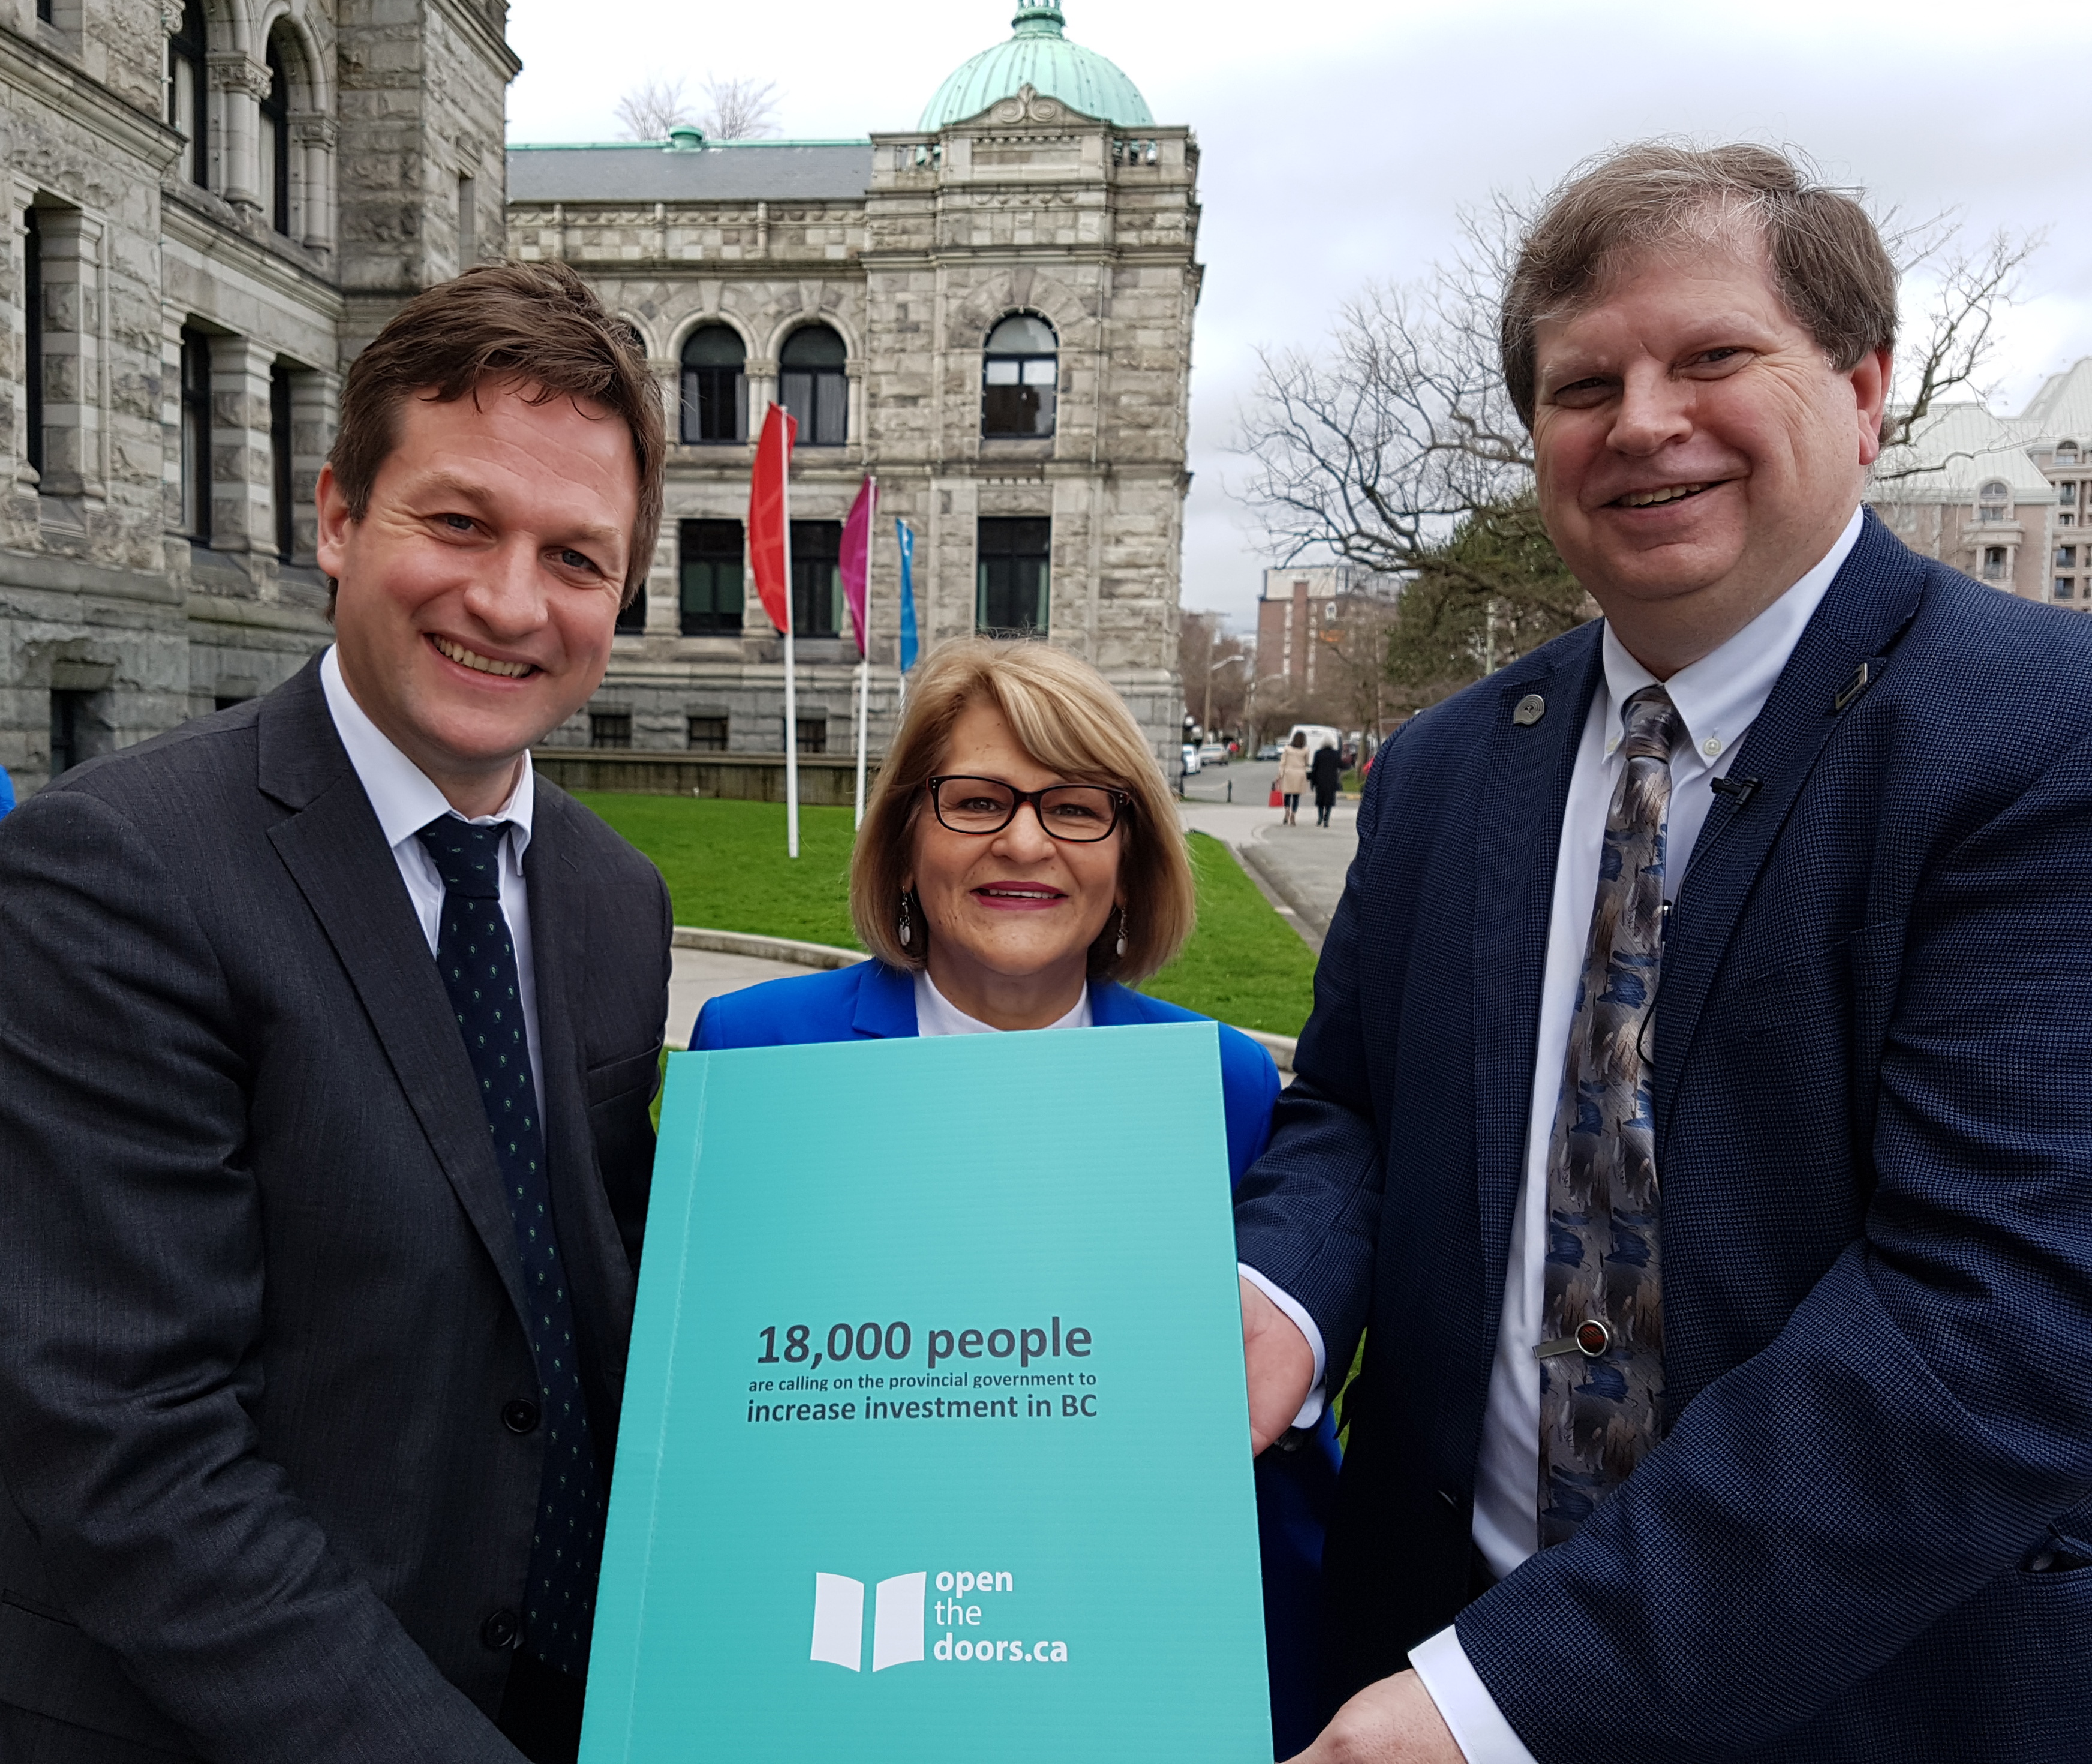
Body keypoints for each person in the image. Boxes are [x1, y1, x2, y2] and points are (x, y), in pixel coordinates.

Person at [1234, 142, 2092, 1764]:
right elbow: (1351, 1106)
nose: (1642, 420)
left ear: (1864, 389)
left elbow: (1984, 1319)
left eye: (1711, 357)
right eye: (1584, 384)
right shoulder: (1447, 766)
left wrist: (1505, 1700)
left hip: (1858, 1698)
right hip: (1428, 1629)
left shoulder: (2043, 739)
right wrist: (1274, 1288)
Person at [0, 262, 672, 1763]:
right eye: (458, 521)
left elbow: (569, 1317)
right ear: (337, 519)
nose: (510, 600)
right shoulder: (118, 871)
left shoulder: (617, 901)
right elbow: (135, 1446)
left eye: (575, 555)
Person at [693, 638, 1337, 1758]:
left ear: (1127, 859)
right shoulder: (759, 1055)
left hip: (1122, 1664)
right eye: (977, 799)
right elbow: (709, 1415)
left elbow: (1264, 1454)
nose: (1025, 840)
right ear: (904, 841)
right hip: (848, 1653)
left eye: (1075, 806)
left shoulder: (1221, 1087)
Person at [1276, 729, 1309, 825]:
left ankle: (1287, 811)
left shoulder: (1287, 749)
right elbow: (1306, 762)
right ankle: (1293, 814)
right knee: (1296, 796)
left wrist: (1280, 774)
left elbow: (1283, 762)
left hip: (1289, 772)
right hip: (1300, 772)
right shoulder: (1305, 750)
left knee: (1287, 794)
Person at [1308, 740, 1342, 828]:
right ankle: (1327, 819)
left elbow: (1315, 768)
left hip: (1320, 780)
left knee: (1320, 800)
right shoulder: (1336, 754)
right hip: (1332, 780)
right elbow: (1340, 765)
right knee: (1329, 801)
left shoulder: (1318, 754)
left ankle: (1320, 818)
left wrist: (1313, 782)